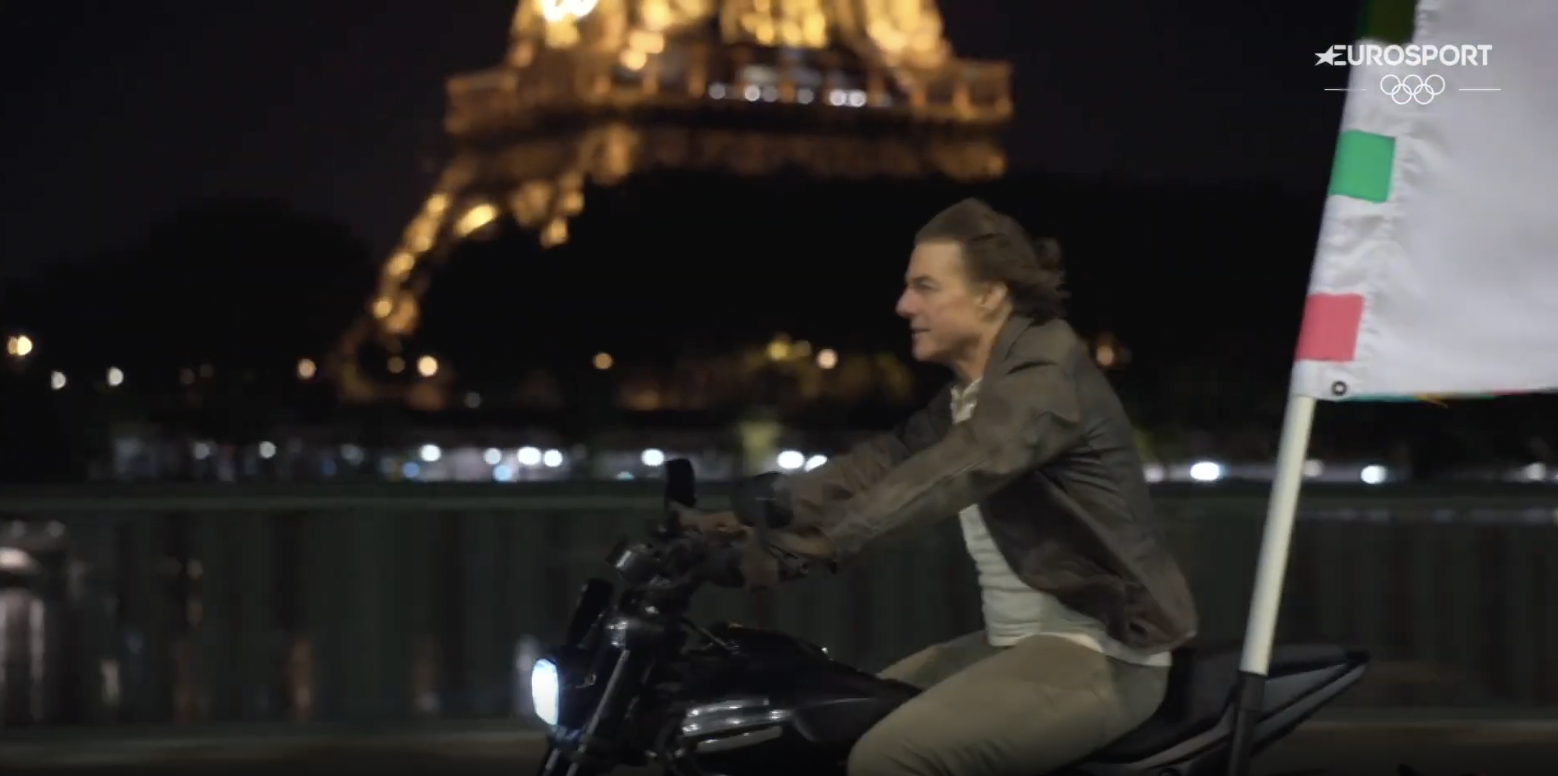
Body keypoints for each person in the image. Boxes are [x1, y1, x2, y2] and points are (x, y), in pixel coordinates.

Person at [690, 198, 1198, 776]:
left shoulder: (1042, 382)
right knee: (837, 718)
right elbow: (887, 462)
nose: (904, 305)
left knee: (892, 758)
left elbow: (944, 475)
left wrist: (800, 550)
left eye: (925, 287)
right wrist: (751, 511)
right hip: (1016, 645)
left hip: (1102, 654)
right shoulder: (974, 390)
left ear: (990, 294)